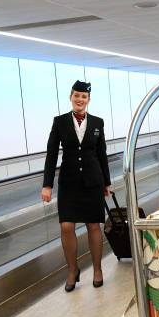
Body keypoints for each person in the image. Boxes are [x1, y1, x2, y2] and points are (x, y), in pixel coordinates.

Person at [42, 80, 112, 292]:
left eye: (84, 96)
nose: (80, 99)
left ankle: (97, 269)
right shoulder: (60, 122)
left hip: (93, 181)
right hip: (69, 182)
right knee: (66, 226)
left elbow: (102, 154)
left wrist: (106, 182)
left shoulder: (97, 122)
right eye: (76, 96)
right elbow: (52, 153)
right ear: (71, 97)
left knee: (93, 225)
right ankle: (72, 270)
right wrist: (47, 185)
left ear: (88, 99)